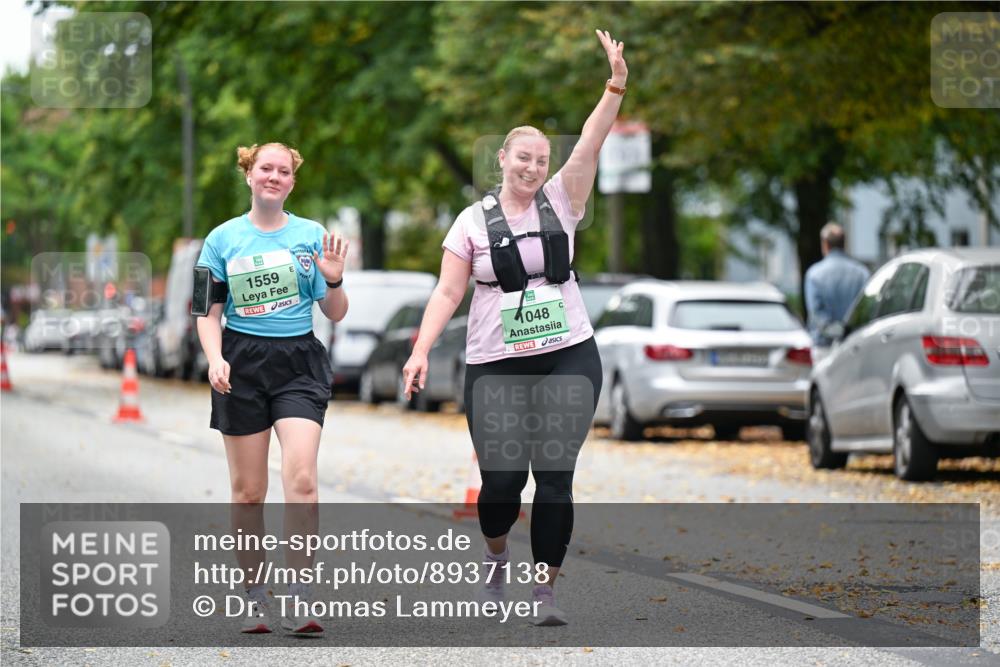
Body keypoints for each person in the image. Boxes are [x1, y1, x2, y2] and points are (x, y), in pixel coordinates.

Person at [402, 29, 628, 627]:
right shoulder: (471, 222)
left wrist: (615, 85)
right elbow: (449, 291)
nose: (532, 167)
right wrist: (421, 349)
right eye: (521, 157)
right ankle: (497, 554)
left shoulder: (565, 199)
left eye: (540, 160)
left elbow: (592, 139)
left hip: (568, 353)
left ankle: (545, 591)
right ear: (501, 160)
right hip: (495, 361)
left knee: (555, 478)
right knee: (502, 483)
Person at [195, 142, 349, 635]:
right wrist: (215, 357)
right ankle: (255, 597)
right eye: (266, 168)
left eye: (284, 171)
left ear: (291, 182)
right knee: (248, 491)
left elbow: (335, 312)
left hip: (298, 362)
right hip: (240, 361)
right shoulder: (221, 240)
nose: (274, 177)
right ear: (249, 174)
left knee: (301, 479)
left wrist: (335, 279)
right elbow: (207, 312)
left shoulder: (311, 235)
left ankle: (302, 594)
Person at [804, 222, 870, 359]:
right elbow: (866, 310)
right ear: (844, 244)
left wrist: (835, 332)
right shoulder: (862, 273)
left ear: (825, 245)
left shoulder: (814, 274)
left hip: (824, 348)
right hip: (855, 347)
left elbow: (817, 314)